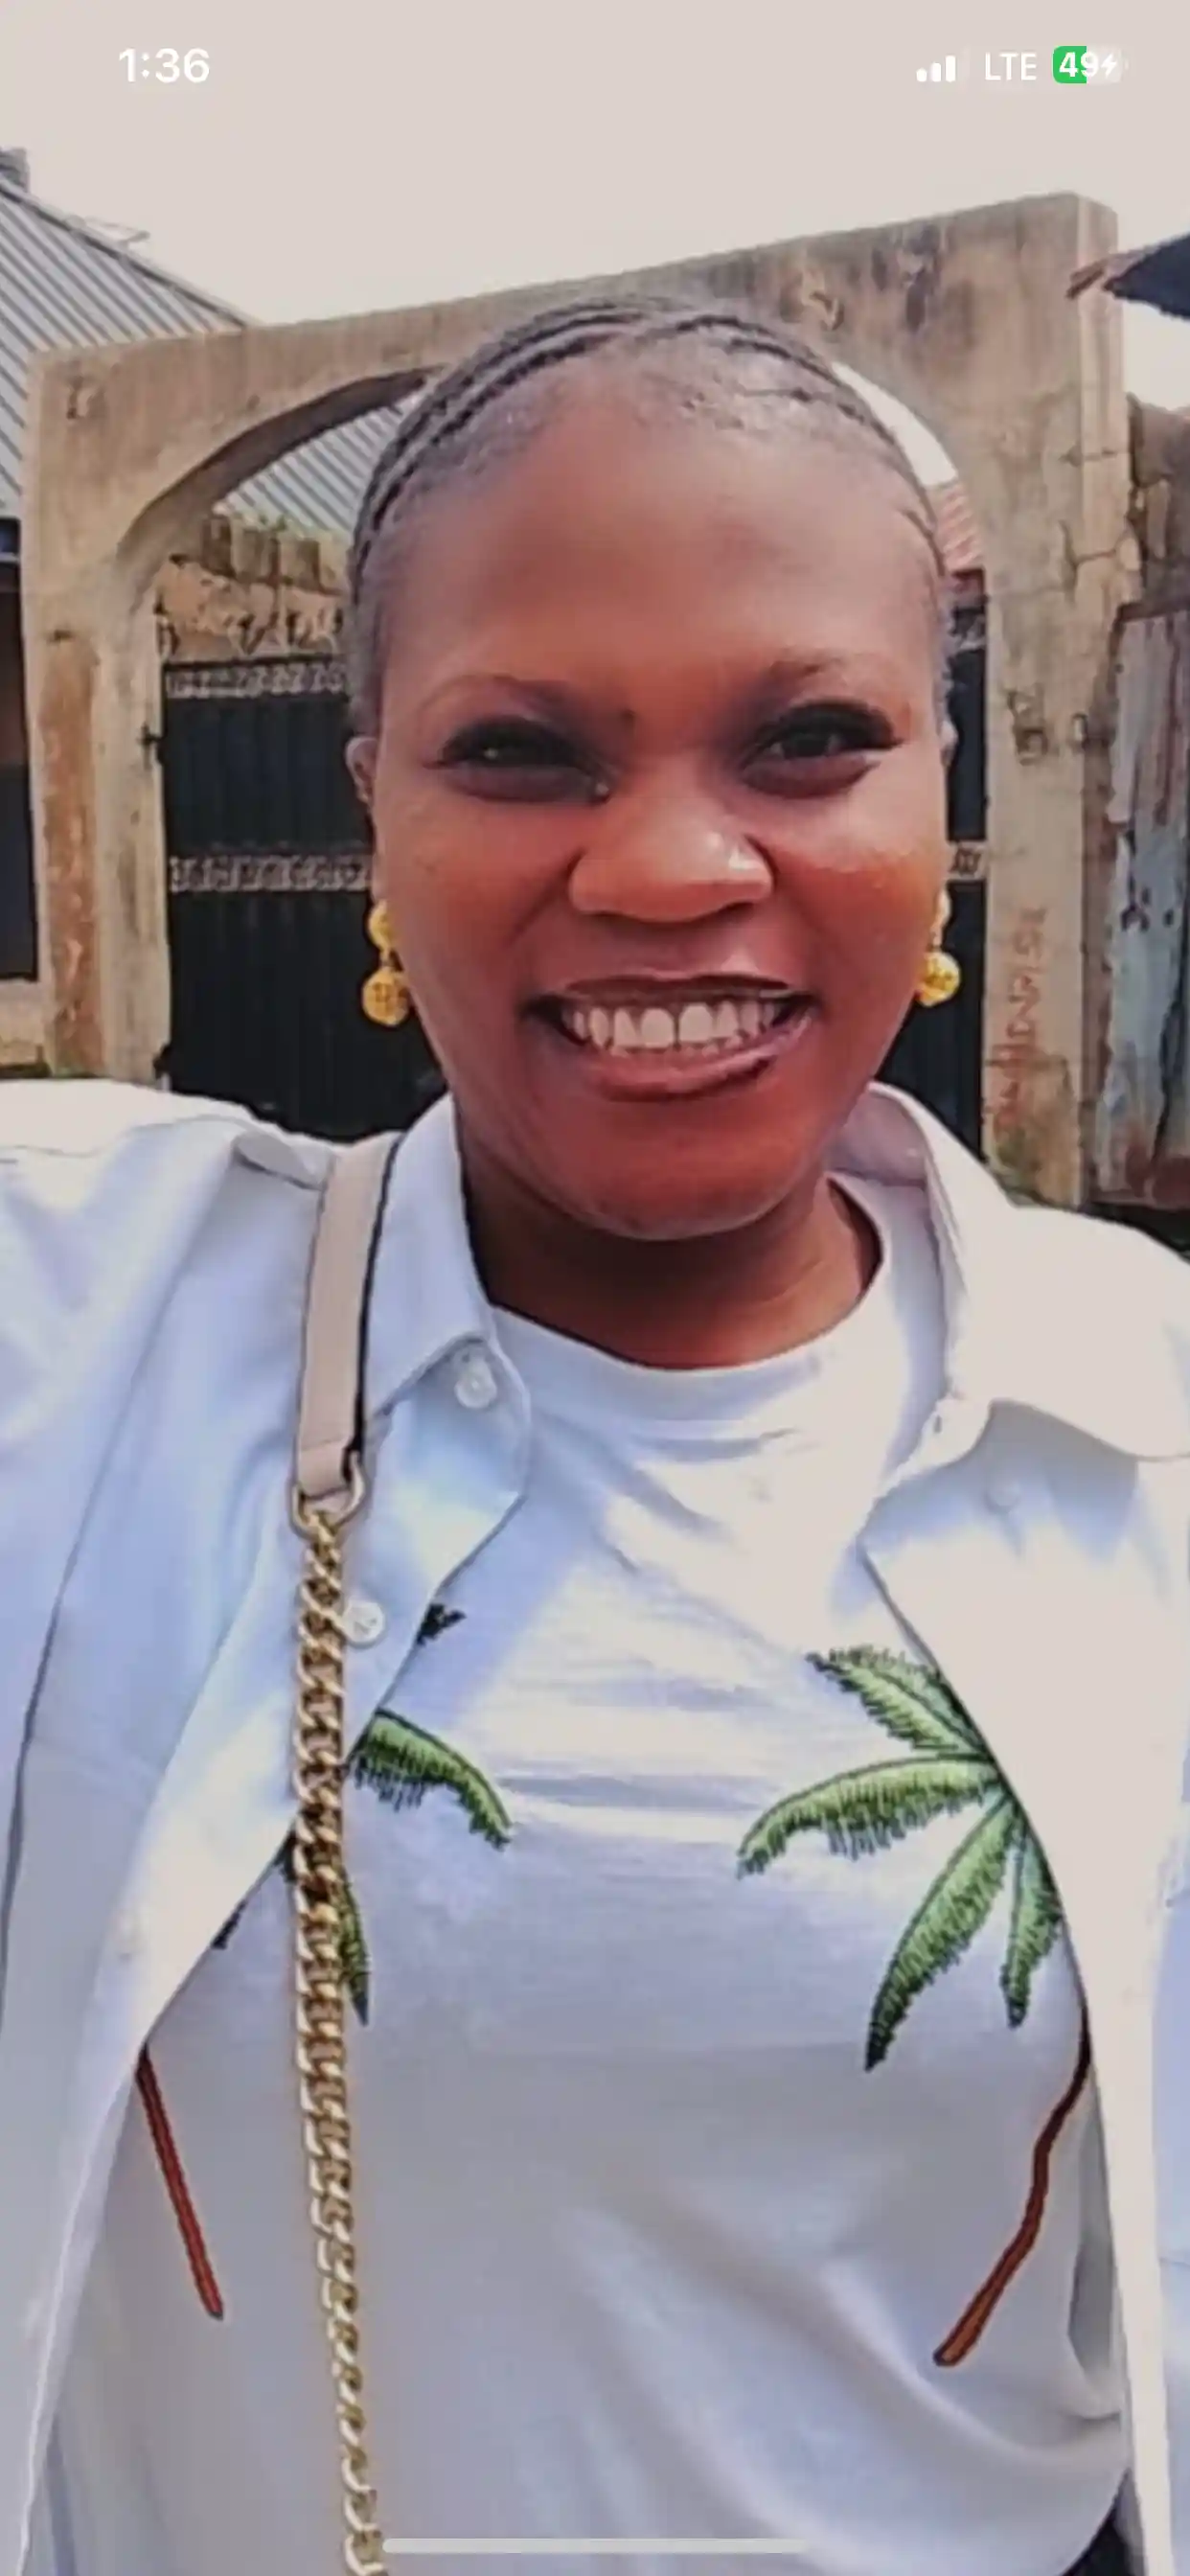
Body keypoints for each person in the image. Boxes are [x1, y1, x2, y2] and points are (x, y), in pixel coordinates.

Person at [2, 296, 1190, 2576]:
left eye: (811, 740)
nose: (666, 866)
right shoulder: (94, 1344)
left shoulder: (1137, 1427)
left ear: (943, 791)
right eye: (522, 751)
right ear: (372, 805)